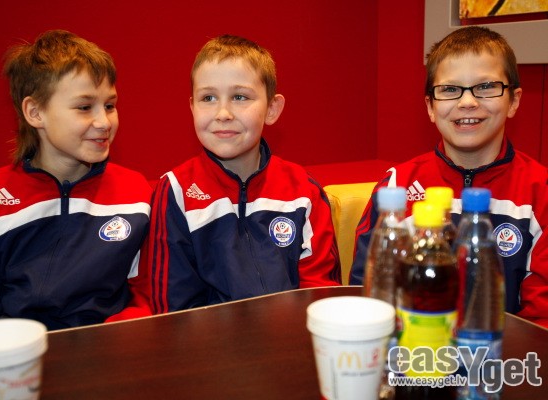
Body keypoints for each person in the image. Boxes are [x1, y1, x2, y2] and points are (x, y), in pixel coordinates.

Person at [350, 26, 548, 327]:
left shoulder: (540, 191)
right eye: (450, 90)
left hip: (502, 352)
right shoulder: (397, 186)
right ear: (430, 106)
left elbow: (541, 322)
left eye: (486, 86)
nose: (467, 102)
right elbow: (368, 293)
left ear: (514, 100)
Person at [0, 30, 152, 330]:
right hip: (24, 351)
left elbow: (147, 295)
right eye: (84, 107)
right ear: (35, 112)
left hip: (113, 347)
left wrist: (115, 340)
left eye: (110, 105)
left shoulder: (137, 193)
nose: (104, 122)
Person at [147, 34, 341, 313]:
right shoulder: (176, 191)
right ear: (192, 107)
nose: (223, 113)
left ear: (272, 109)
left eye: (239, 97)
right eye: (208, 98)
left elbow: (321, 294)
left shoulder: (303, 191)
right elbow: (174, 308)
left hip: (293, 335)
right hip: (209, 340)